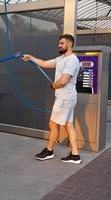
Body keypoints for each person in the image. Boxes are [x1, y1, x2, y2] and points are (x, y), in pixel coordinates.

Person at [22, 34, 81, 164]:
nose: (59, 45)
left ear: (70, 44)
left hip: (65, 98)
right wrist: (31, 57)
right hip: (65, 98)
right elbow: (43, 63)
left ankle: (49, 151)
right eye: (59, 43)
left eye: (62, 43)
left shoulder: (72, 60)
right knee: (68, 125)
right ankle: (75, 155)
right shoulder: (60, 59)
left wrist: (53, 85)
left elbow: (64, 81)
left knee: (53, 123)